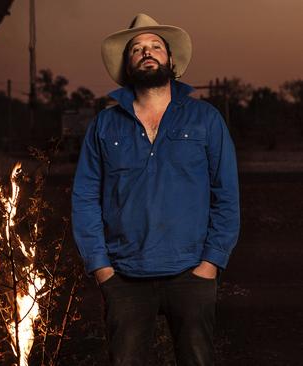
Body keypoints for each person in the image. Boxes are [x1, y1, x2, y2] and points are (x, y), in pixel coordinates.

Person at [72, 13, 240, 366]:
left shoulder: (204, 119)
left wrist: (211, 262)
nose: (146, 53)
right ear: (128, 64)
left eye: (155, 47)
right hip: (125, 277)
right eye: (137, 49)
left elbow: (226, 195)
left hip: (191, 272)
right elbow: (85, 198)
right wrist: (101, 268)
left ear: (171, 60)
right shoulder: (104, 125)